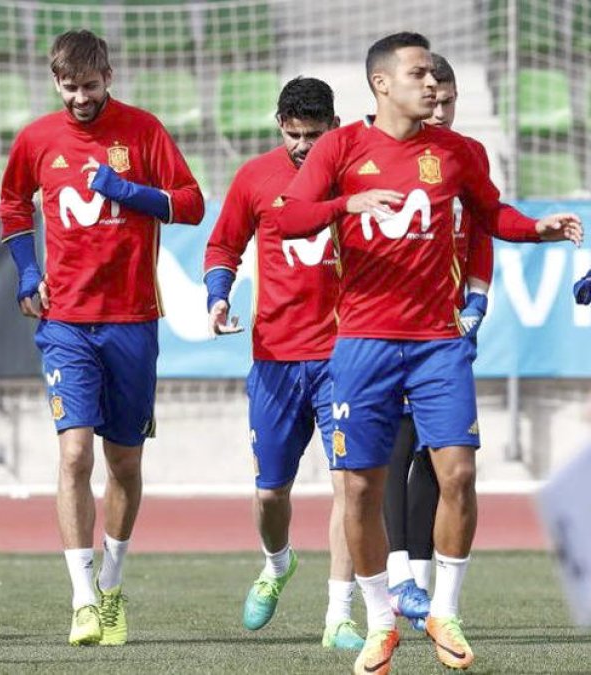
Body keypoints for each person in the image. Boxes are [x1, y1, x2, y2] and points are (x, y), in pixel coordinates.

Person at [274, 32, 582, 674]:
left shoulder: (459, 152)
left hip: (439, 341)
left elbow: (493, 216)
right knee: (359, 487)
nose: (432, 85)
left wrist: (537, 229)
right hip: (362, 343)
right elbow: (291, 220)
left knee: (460, 474)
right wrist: (345, 202)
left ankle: (444, 611)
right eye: (419, 74)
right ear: (382, 83)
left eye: (435, 76)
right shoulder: (340, 146)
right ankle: (382, 622)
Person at [0, 29, 204, 646]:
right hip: (65, 323)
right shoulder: (37, 138)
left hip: (133, 319)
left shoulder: (142, 131)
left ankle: (112, 584)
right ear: (55, 81)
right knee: (73, 455)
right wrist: (29, 270)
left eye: (90, 85)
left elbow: (192, 204)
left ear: (108, 76)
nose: (80, 97)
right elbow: (13, 205)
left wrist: (127, 191)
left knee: (125, 463)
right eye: (70, 86)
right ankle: (83, 597)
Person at [203, 76, 364, 650]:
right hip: (274, 357)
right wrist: (217, 295)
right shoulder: (255, 177)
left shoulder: (359, 175)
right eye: (293, 133)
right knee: (271, 493)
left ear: (334, 128)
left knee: (351, 485)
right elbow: (223, 246)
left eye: (313, 135)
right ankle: (277, 564)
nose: (301, 145)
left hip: (345, 357)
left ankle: (339, 614)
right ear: (279, 125)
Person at [381, 53, 495, 632]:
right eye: (435, 96)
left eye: (451, 100)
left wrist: (476, 297)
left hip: (445, 332)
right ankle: (395, 577)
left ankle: (421, 590)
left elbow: (482, 233)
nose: (442, 108)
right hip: (385, 329)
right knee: (391, 450)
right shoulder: (378, 150)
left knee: (442, 457)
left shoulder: (466, 156)